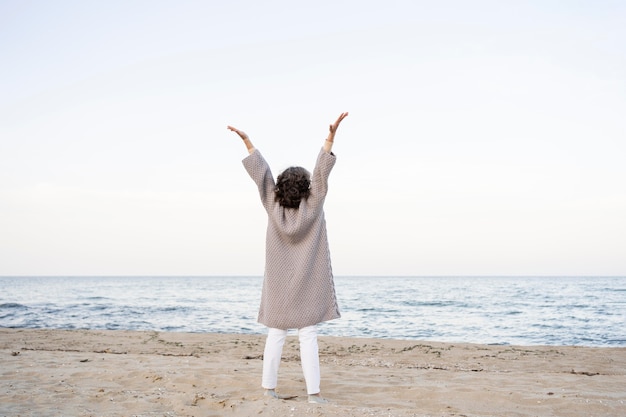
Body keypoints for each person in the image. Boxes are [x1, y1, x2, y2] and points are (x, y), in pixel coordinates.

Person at [227, 112, 348, 404]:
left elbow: (262, 176)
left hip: (279, 286)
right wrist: (330, 137)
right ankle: (314, 395)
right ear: (306, 187)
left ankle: (268, 390)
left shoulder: (272, 204)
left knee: (276, 334)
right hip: (308, 284)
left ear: (280, 187)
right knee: (308, 336)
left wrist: (248, 142)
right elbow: (322, 172)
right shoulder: (314, 204)